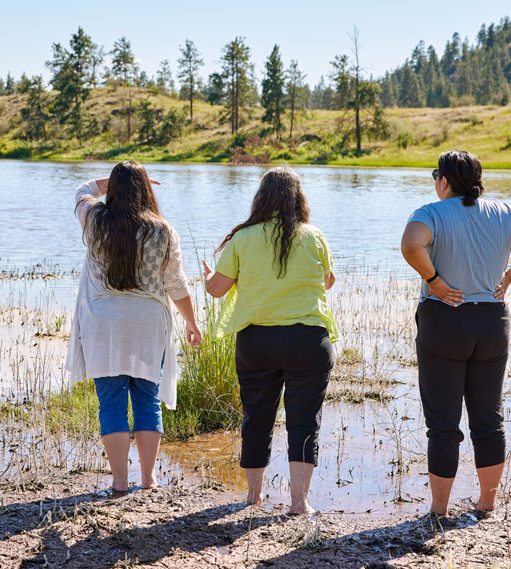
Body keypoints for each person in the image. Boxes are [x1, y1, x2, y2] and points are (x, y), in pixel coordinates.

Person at [400, 150, 511, 517]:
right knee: (488, 419)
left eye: (434, 177)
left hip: (445, 321)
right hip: (491, 323)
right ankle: (487, 502)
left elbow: (412, 245)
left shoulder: (431, 212)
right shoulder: (504, 213)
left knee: (443, 423)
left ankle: (439, 510)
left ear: (443, 181)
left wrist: (435, 281)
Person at [202, 166, 337, 515]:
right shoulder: (314, 235)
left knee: (256, 417)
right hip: (309, 340)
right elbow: (328, 282)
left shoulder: (243, 239)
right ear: (299, 198)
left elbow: (217, 290)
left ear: (261, 198)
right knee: (304, 420)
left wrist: (207, 277)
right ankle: (299, 503)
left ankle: (253, 497)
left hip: (257, 341)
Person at [65, 160, 201, 494]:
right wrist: (192, 322)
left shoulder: (94, 221)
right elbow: (177, 286)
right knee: (146, 400)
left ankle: (120, 482)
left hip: (102, 324)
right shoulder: (163, 231)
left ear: (113, 189)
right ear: (145, 191)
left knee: (111, 402)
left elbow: (82, 191)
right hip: (148, 325)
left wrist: (109, 183)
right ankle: (149, 479)